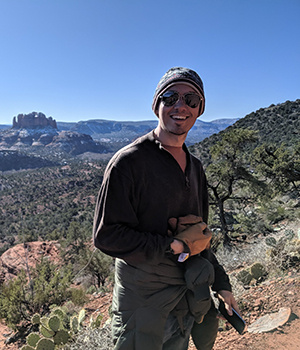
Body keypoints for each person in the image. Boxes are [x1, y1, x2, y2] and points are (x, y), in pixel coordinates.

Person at [93, 67, 240, 350]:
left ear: (200, 109)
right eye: (170, 97)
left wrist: (221, 282)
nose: (180, 106)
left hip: (184, 297)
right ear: (156, 105)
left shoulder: (195, 167)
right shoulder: (128, 162)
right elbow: (106, 236)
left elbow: (198, 236)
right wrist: (171, 246)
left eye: (191, 99)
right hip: (143, 301)